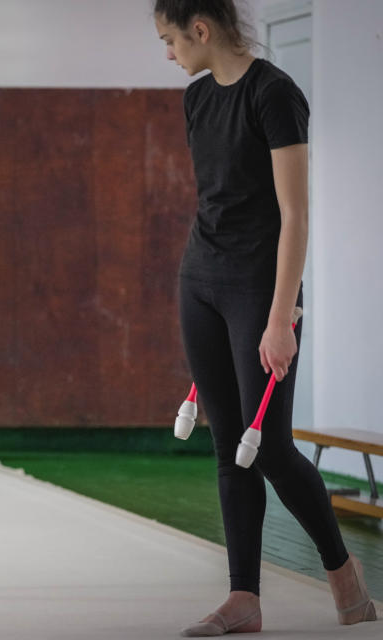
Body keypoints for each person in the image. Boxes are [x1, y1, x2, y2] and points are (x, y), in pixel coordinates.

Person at [153, 1, 376, 635]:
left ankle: (343, 574)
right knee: (230, 449)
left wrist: (281, 316)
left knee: (271, 450)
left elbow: (295, 215)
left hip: (259, 288)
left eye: (171, 39)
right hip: (200, 280)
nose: (168, 54)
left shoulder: (275, 95)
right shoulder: (196, 100)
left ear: (201, 29)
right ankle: (243, 598)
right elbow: (217, 197)